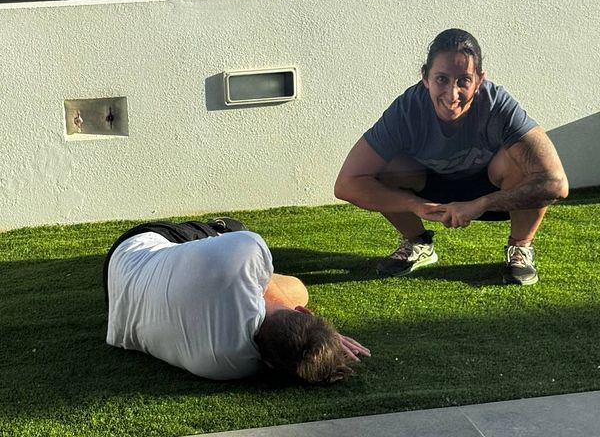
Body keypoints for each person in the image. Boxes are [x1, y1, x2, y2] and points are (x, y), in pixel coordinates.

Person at [334, 28, 569, 286]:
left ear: (479, 80)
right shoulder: (407, 109)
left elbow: (555, 184)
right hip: (431, 188)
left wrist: (481, 203)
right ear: (425, 77)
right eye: (442, 79)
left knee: (525, 165)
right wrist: (416, 205)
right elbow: (347, 183)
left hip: (492, 187)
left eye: (464, 81)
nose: (452, 94)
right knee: (384, 166)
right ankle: (417, 242)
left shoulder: (498, 105)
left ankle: (520, 247)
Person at [104, 217, 369, 384]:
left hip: (135, 249)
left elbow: (273, 295)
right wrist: (316, 346)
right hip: (114, 293)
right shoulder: (227, 366)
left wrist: (322, 336)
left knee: (238, 232)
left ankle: (219, 226)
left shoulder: (248, 249)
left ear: (304, 313)